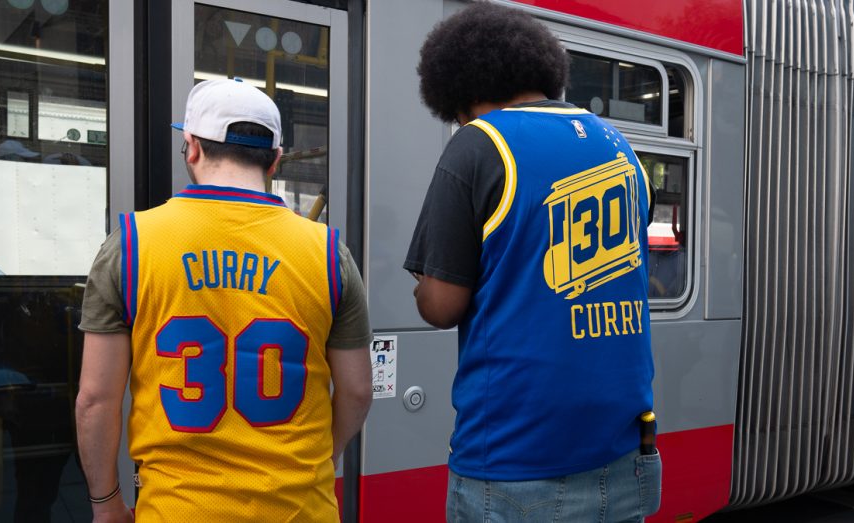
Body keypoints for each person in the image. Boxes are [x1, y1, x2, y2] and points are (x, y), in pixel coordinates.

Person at [404, 4, 661, 522]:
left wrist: (422, 286)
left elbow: (442, 305)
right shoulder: (622, 149)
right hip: (627, 455)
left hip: (516, 459)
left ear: (464, 89)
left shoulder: (480, 143)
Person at [75, 78, 372, 522]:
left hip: (178, 510)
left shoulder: (131, 246)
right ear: (274, 160)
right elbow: (357, 389)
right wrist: (321, 463)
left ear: (191, 148)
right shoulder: (329, 254)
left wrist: (106, 504)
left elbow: (95, 399)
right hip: (300, 509)